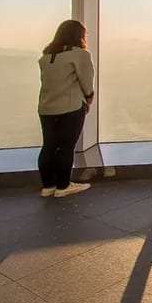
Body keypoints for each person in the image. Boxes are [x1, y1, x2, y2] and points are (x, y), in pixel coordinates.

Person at [37, 20, 95, 198]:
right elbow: (87, 81)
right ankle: (63, 186)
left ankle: (48, 185)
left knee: (48, 146)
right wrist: (89, 98)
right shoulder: (80, 55)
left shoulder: (46, 57)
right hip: (70, 107)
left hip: (46, 107)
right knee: (66, 147)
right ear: (78, 35)